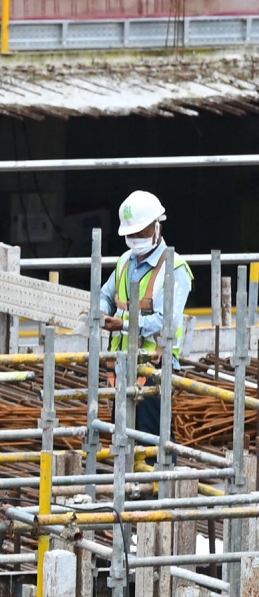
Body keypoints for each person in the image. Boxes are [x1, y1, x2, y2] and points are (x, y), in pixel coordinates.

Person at [100, 190, 191, 445]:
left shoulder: (175, 269)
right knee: (124, 439)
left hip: (155, 368)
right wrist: (99, 310)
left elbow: (167, 323)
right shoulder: (124, 262)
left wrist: (124, 325)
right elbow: (106, 294)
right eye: (131, 234)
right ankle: (131, 485)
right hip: (120, 366)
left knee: (152, 439)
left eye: (141, 233)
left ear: (156, 226)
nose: (135, 239)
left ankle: (164, 482)